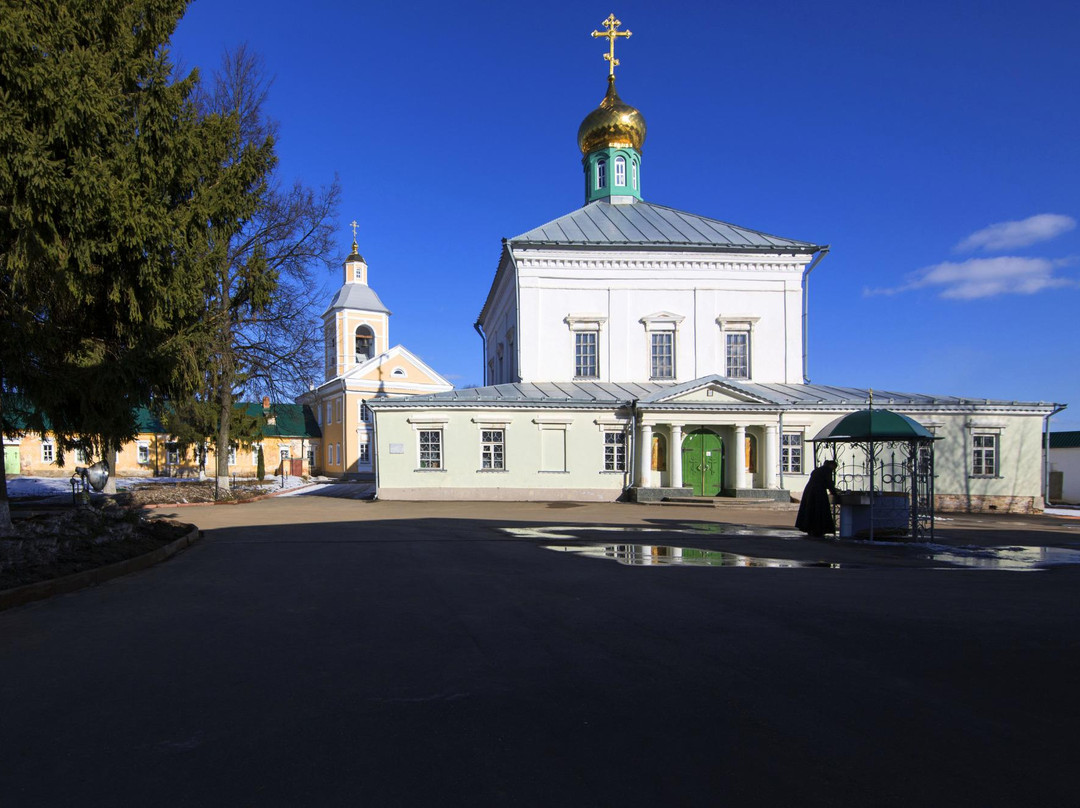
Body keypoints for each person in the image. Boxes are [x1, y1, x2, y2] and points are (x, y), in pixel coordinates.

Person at [795, 459, 841, 538]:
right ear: (831, 465)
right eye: (834, 468)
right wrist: (835, 493)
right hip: (818, 493)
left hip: (809, 491)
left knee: (810, 510)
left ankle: (810, 528)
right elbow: (828, 483)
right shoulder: (827, 470)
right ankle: (819, 529)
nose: (833, 470)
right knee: (819, 511)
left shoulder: (817, 470)